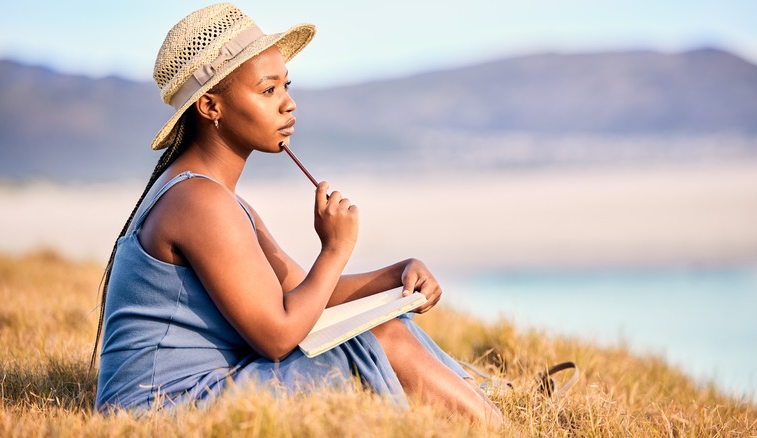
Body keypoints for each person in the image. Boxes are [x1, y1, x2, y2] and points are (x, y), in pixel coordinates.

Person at [92, 3, 504, 427]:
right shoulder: (199, 202)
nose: (289, 104)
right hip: (162, 413)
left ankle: (480, 403)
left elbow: (302, 293)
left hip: (195, 393)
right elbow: (277, 336)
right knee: (380, 337)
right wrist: (336, 248)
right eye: (268, 90)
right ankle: (501, 428)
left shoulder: (216, 199)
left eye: (286, 86)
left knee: (385, 323)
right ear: (211, 107)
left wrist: (398, 275)